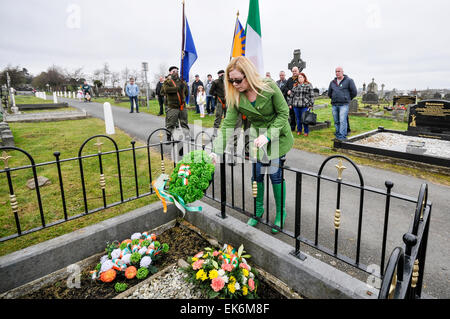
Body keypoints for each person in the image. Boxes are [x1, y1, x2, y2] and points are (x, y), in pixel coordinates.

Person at [210, 56, 294, 234]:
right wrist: (216, 151)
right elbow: (228, 125)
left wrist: (269, 136)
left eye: (238, 80)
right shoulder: (236, 96)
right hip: (257, 137)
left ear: (248, 75)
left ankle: (280, 213)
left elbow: (283, 113)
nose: (235, 84)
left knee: (275, 174)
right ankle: (258, 211)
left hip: (277, 134)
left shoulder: (269, 86)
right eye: (231, 81)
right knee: (257, 175)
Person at [327, 67, 357, 141]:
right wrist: (334, 98)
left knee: (342, 121)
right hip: (334, 104)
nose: (337, 73)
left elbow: (354, 92)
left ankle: (342, 137)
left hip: (343, 104)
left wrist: (347, 98)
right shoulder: (332, 82)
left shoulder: (349, 80)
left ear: (342, 72)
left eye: (339, 71)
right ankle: (337, 136)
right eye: (336, 71)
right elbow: (329, 93)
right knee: (336, 121)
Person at [162, 66, 191, 139]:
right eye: (173, 71)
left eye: (176, 71)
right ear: (170, 73)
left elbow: (186, 93)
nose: (175, 72)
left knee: (184, 122)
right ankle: (169, 136)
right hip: (172, 106)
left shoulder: (182, 82)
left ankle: (187, 135)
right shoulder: (167, 82)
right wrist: (177, 88)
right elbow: (166, 90)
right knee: (171, 123)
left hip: (182, 106)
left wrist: (184, 87)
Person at [287, 72, 315, 136]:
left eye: (301, 77)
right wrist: (290, 104)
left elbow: (312, 95)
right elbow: (291, 96)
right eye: (298, 77)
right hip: (296, 105)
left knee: (305, 119)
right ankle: (299, 131)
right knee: (298, 119)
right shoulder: (295, 86)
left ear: (304, 78)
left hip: (305, 105)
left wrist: (311, 104)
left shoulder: (308, 85)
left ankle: (306, 132)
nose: (299, 79)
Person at [210, 70, 227, 137]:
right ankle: (215, 131)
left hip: (227, 101)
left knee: (227, 117)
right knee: (218, 116)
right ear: (219, 75)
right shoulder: (215, 82)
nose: (223, 76)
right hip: (219, 101)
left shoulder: (228, 81)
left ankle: (225, 131)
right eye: (221, 75)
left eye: (223, 74)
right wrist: (216, 94)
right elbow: (211, 92)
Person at [283, 67, 300, 131]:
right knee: (292, 115)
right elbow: (285, 88)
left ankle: (299, 128)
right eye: (293, 71)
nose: (294, 72)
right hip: (291, 100)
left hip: (299, 100)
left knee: (298, 115)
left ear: (298, 71)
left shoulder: (300, 78)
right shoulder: (289, 79)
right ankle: (292, 128)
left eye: (295, 71)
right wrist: (288, 91)